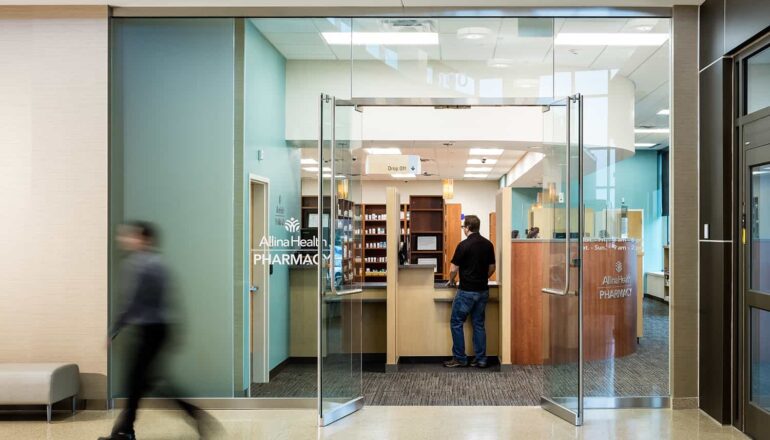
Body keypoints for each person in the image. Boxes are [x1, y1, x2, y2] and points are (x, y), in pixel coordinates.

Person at [99, 222, 213, 440]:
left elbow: (131, 303)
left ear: (144, 239)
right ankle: (125, 430)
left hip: (149, 330)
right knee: (144, 381)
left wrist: (114, 330)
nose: (124, 239)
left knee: (140, 381)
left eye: (130, 236)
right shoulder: (159, 263)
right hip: (160, 329)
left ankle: (126, 431)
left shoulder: (138, 264)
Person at [443, 215, 496, 369]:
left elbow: (453, 269)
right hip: (482, 291)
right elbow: (492, 268)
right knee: (479, 324)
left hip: (466, 291)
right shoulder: (488, 245)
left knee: (456, 322)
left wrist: (452, 280)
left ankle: (460, 358)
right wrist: (482, 278)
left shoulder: (463, 245)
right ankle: (481, 359)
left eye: (464, 227)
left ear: (467, 228)